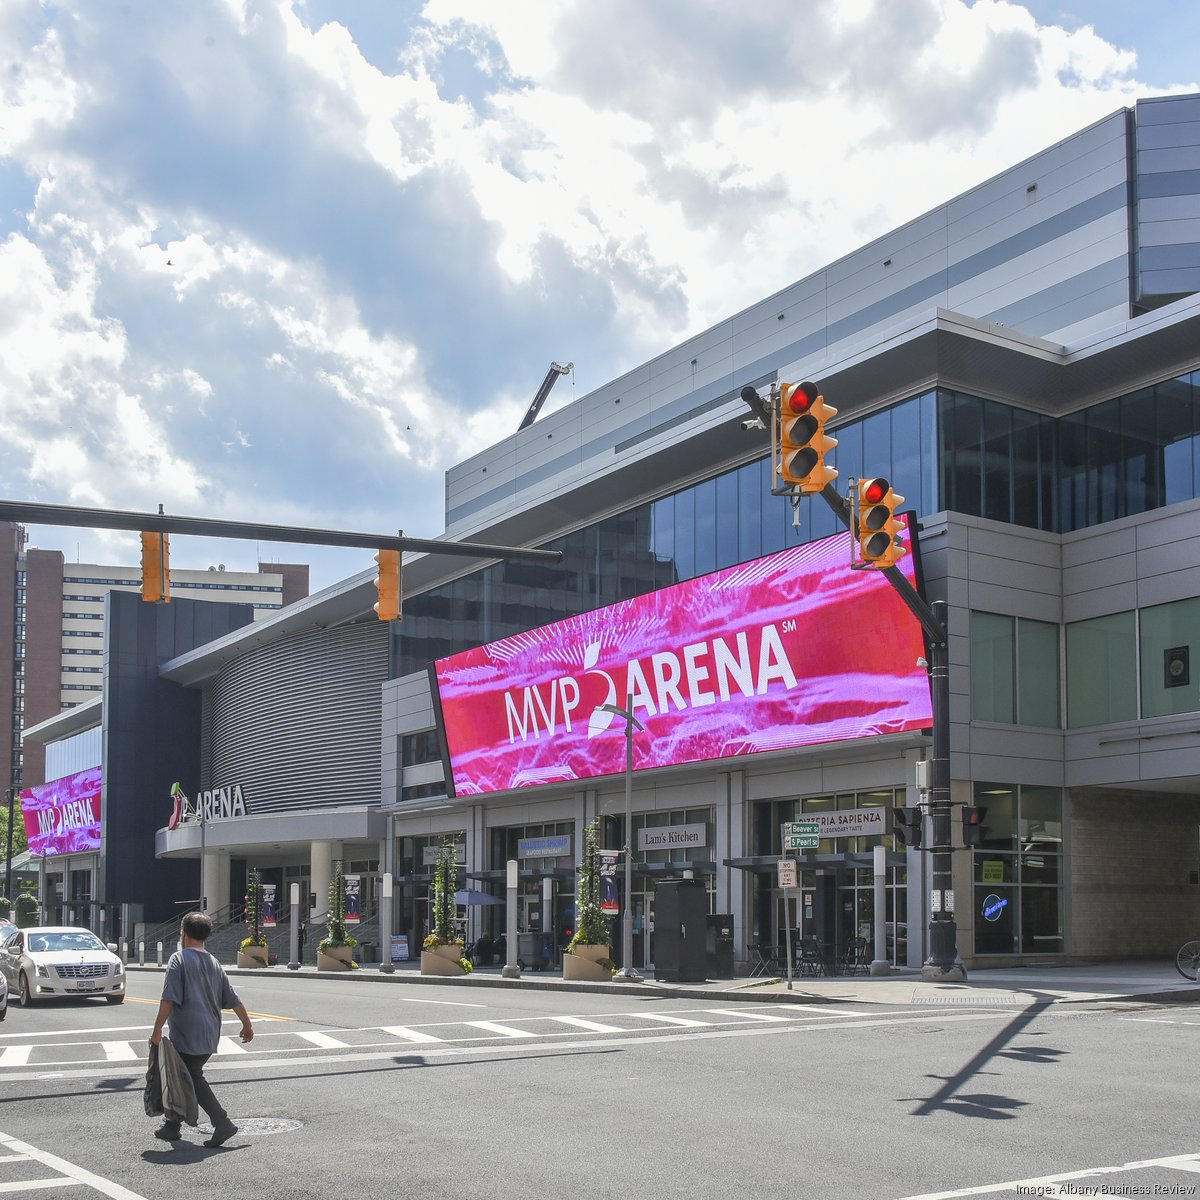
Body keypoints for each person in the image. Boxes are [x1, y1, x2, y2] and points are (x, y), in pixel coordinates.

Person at [150, 911, 254, 1148]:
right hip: (209, 1032)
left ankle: (222, 1121)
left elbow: (169, 999)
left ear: (183, 933)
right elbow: (233, 999)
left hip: (187, 1032)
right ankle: (172, 1125)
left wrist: (157, 1029)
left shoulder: (179, 959)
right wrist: (247, 1025)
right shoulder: (213, 962)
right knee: (180, 1075)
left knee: (191, 1078)